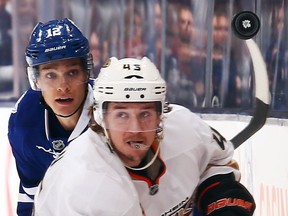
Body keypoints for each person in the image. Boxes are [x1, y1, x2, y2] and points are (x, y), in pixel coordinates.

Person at [33, 56, 256, 216]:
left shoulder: (186, 128)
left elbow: (216, 162)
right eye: (121, 114)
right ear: (101, 117)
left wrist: (224, 202)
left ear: (161, 114)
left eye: (145, 113)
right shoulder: (87, 182)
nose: (136, 129)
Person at [8, 18, 94, 216]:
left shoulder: (111, 111)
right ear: (35, 79)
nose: (63, 86)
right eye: (51, 75)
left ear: (87, 73)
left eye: (72, 72)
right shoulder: (24, 122)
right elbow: (31, 193)